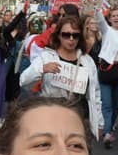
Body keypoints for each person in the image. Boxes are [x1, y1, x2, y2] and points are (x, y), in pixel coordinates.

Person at [19, 15, 103, 143]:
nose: (71, 39)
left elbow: (95, 93)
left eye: (75, 35)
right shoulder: (47, 57)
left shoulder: (87, 61)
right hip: (53, 117)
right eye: (66, 35)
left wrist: (99, 123)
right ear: (58, 35)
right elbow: (23, 81)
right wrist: (42, 69)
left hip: (79, 118)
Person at [93, 7, 118, 149]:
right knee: (106, 104)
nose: (116, 18)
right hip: (107, 71)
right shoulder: (107, 31)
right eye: (113, 16)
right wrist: (96, 6)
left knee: (116, 105)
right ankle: (107, 133)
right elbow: (100, 20)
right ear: (110, 19)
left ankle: (109, 126)